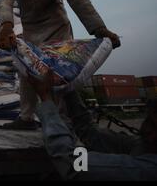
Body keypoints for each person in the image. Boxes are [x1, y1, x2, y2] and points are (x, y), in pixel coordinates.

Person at [0, 0, 121, 130]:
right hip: (31, 28)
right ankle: (26, 118)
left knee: (59, 74)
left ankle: (63, 124)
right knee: (28, 71)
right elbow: (6, 0)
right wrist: (6, 27)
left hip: (58, 25)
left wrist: (99, 29)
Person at [29, 70, 157, 180]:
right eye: (149, 122)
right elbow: (90, 134)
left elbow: (75, 163)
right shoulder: (143, 145)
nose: (150, 133)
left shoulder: (148, 169)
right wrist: (68, 87)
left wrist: (46, 99)